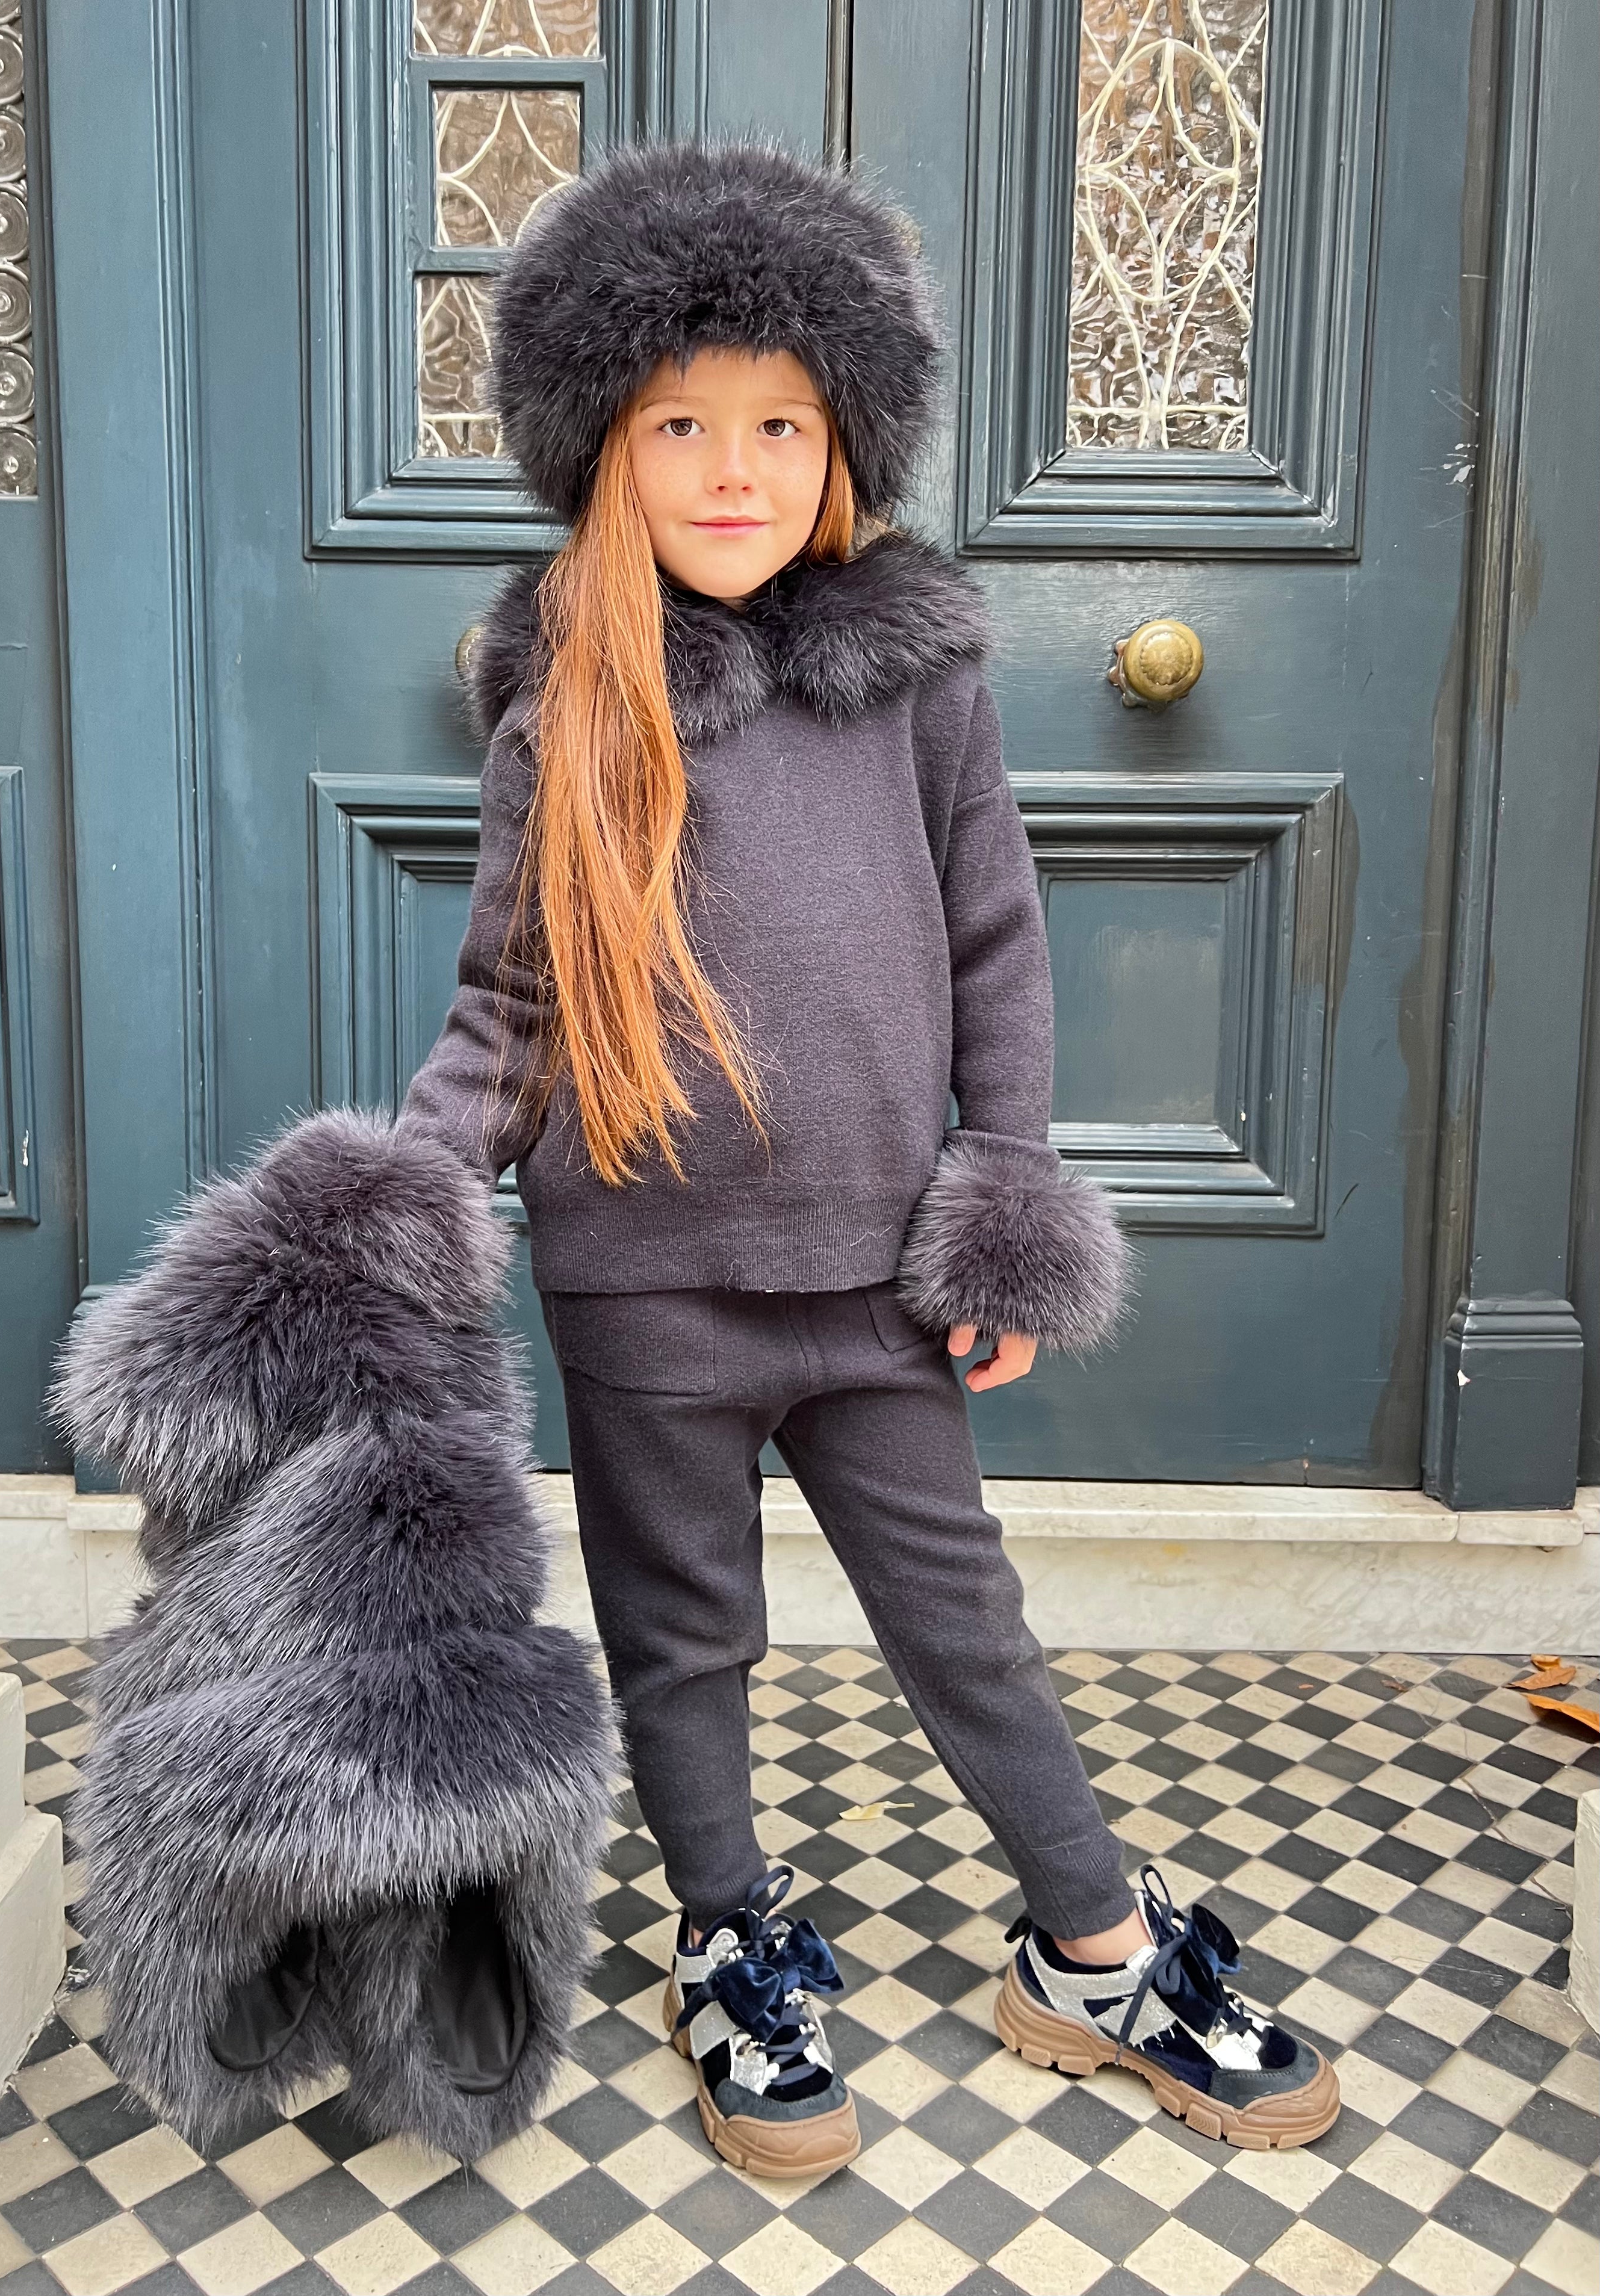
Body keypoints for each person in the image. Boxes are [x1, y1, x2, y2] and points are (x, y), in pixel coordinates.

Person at [398, 140, 1339, 2174]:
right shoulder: (571, 706)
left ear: (844, 445)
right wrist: (393, 1218)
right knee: (684, 1633)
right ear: (603, 446)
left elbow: (997, 938)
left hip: (878, 1270)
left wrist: (1005, 1198)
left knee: (960, 1613)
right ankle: (729, 1938)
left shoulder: (920, 679)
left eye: (781, 424)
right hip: (641, 1281)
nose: (733, 469)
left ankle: (1096, 1944)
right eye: (680, 425)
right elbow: (508, 1006)